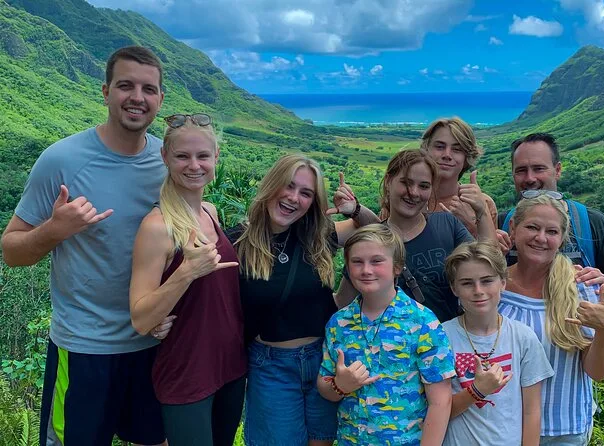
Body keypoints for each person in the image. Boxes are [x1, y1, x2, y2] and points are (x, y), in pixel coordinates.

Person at [1, 46, 166, 445]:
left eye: (148, 89)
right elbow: (11, 251)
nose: (137, 97)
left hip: (154, 343)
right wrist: (54, 230)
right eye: (125, 86)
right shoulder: (61, 160)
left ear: (160, 99)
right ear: (105, 91)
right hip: (84, 349)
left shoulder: (169, 162)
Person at [226, 154, 379, 446]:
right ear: (271, 184)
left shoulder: (317, 236)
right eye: (288, 185)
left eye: (306, 193)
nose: (293, 198)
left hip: (324, 359)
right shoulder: (238, 242)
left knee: (322, 441)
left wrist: (356, 210)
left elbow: (378, 232)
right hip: (272, 367)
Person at [128, 113, 245, 446]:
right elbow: (140, 319)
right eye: (182, 156)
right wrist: (187, 272)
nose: (194, 165)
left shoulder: (210, 212)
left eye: (203, 156)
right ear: (165, 157)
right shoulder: (157, 226)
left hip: (230, 365)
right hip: (187, 371)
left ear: (216, 157)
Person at [318, 224, 455, 445]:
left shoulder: (423, 322)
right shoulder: (338, 323)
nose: (366, 270)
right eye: (357, 262)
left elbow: (441, 402)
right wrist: (340, 385)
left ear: (397, 267)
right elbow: (324, 386)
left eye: (376, 261)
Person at [498, 193, 604, 445]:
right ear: (513, 228)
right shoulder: (493, 288)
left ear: (562, 238)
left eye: (551, 231)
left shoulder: (582, 288)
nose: (541, 238)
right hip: (502, 428)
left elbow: (597, 371)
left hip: (564, 431)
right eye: (532, 227)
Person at [336, 149, 496, 322]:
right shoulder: (371, 240)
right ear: (388, 181)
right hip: (391, 339)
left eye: (424, 186)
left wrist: (481, 211)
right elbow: (344, 303)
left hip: (447, 336)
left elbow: (489, 265)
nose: (414, 192)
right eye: (406, 182)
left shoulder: (447, 225)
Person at [497, 132, 604, 308]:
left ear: (557, 170)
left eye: (539, 169)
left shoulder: (592, 222)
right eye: (521, 170)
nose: (530, 178)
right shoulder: (501, 224)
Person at [442, 241, 554, 445]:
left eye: (487, 281)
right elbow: (437, 411)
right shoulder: (441, 337)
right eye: (467, 283)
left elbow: (532, 411)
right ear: (454, 288)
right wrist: (476, 391)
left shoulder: (523, 337)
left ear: (502, 282)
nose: (478, 290)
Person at [420, 117, 498, 236]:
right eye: (440, 147)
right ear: (426, 150)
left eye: (457, 149)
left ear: (467, 158)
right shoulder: (408, 198)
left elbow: (492, 247)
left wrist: (471, 227)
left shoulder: (482, 204)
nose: (447, 155)